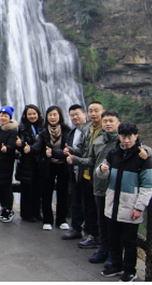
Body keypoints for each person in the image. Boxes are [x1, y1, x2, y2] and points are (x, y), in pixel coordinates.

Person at [67, 111, 150, 267]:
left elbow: (142, 149)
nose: (107, 124)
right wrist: (75, 160)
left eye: (111, 121)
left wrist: (148, 152)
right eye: (105, 121)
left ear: (118, 123)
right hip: (100, 186)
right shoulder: (98, 141)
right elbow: (92, 161)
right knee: (103, 223)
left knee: (115, 226)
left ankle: (114, 255)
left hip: (117, 189)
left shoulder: (123, 141)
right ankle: (103, 250)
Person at [97, 123, 152, 282]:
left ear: (136, 136)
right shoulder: (114, 152)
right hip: (113, 204)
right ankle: (116, 265)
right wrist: (102, 170)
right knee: (113, 238)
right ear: (119, 136)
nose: (126, 140)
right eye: (123, 136)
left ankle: (130, 271)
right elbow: (102, 173)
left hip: (130, 206)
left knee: (129, 242)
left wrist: (139, 207)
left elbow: (148, 186)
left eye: (130, 137)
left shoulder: (142, 158)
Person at [65, 101, 105, 249]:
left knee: (97, 209)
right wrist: (69, 150)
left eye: (96, 110)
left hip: (99, 176)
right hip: (86, 175)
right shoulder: (88, 130)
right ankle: (92, 236)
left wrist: (145, 150)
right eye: (91, 111)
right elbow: (84, 151)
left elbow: (92, 158)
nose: (93, 114)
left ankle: (98, 239)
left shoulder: (106, 129)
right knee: (89, 208)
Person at [29, 106, 71, 231]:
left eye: (55, 114)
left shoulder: (66, 130)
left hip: (63, 165)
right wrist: (29, 149)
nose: (52, 117)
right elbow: (38, 146)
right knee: (46, 193)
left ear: (60, 116)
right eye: (50, 115)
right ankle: (47, 220)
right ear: (46, 117)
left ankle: (61, 220)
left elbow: (67, 150)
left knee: (62, 193)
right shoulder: (44, 132)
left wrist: (53, 153)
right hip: (47, 166)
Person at [62, 104, 90, 240]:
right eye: (72, 115)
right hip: (74, 172)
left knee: (88, 204)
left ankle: (89, 231)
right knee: (76, 201)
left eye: (77, 114)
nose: (75, 117)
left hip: (87, 172)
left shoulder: (90, 130)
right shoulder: (72, 132)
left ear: (84, 114)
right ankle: (76, 228)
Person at [15, 104, 44, 223]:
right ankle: (27, 213)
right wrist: (20, 145)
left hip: (39, 163)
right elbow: (21, 142)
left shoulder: (42, 127)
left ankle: (37, 212)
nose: (32, 116)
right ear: (25, 116)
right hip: (27, 164)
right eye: (29, 114)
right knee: (27, 189)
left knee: (38, 188)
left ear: (38, 114)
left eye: (34, 114)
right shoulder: (23, 128)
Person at [0, 106, 18, 223]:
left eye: (6, 116)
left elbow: (13, 144)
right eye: (1, 115)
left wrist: (7, 148)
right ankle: (3, 208)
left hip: (6, 163)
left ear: (10, 118)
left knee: (6, 187)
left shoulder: (12, 131)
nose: (3, 118)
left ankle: (9, 209)